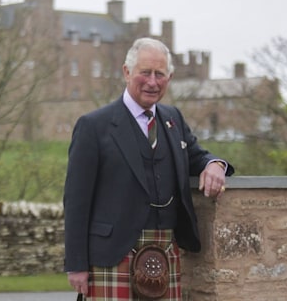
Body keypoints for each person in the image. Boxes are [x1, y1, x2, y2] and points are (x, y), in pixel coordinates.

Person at [63, 37, 234, 300]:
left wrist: (215, 165)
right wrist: (76, 264)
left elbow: (196, 156)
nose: (152, 82)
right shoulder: (94, 126)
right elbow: (76, 200)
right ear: (126, 72)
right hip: (112, 253)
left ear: (170, 77)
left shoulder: (172, 119)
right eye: (145, 73)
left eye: (160, 74)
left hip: (166, 248)